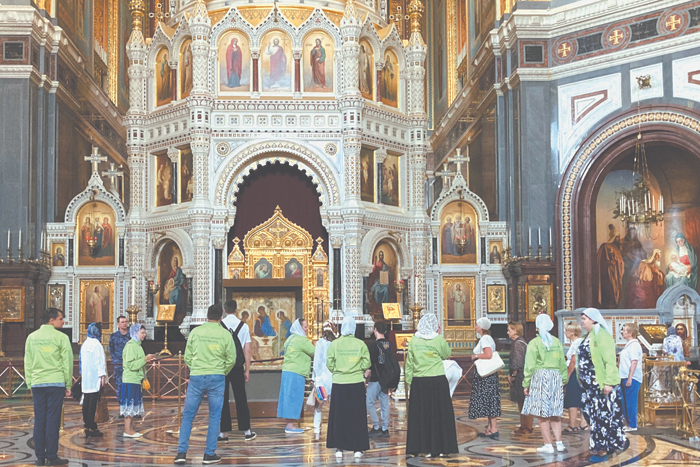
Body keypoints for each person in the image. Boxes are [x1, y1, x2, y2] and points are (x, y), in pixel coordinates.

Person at [175, 304, 237, 465]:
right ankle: (209, 454)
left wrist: (195, 368)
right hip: (217, 377)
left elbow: (188, 356)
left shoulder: (196, 332)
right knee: (215, 416)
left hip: (196, 376)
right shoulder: (225, 334)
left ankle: (181, 452)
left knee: (188, 415)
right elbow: (231, 358)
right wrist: (222, 370)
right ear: (220, 318)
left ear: (206, 317)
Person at [405, 314, 458, 458]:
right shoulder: (438, 339)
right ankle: (441, 447)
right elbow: (446, 354)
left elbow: (409, 363)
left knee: (421, 416)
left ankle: (422, 447)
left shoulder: (414, 340)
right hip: (437, 381)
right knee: (439, 414)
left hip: (419, 381)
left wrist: (410, 382)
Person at [25, 308, 73, 466]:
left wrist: (29, 382)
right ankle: (51, 455)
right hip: (55, 382)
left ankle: (39, 456)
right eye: (61, 318)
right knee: (53, 420)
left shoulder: (32, 337)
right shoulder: (61, 337)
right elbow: (67, 363)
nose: (63, 321)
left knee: (39, 419)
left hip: (38, 383)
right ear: (51, 320)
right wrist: (68, 384)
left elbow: (28, 362)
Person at [579, 308, 627, 462]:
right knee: (593, 416)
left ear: (593, 320)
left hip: (601, 386)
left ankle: (601, 450)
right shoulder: (587, 336)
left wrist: (609, 383)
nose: (582, 320)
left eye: (585, 318)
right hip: (589, 387)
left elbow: (609, 361)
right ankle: (609, 445)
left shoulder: (603, 336)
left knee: (602, 418)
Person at [521, 314, 568, 454]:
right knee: (555, 412)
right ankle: (559, 443)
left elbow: (529, 365)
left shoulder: (534, 343)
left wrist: (526, 383)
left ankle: (548, 444)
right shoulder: (556, 342)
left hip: (540, 376)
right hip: (556, 376)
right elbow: (562, 362)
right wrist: (563, 380)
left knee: (542, 414)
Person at [326, 316, 371, 459]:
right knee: (356, 416)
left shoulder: (334, 344)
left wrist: (338, 371)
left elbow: (329, 363)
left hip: (339, 383)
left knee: (339, 415)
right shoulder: (360, 344)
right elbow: (366, 362)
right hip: (356, 382)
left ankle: (339, 448)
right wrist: (358, 370)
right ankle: (358, 448)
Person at [219, 300, 256, 442]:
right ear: (236, 309)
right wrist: (247, 370)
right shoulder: (244, 326)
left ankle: (223, 433)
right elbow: (247, 350)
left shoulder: (220, 325)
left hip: (222, 366)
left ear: (224, 310)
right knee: (241, 397)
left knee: (222, 398)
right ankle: (247, 431)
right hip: (237, 366)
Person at [277, 318, 315, 433]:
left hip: (287, 371)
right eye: (305, 327)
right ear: (299, 328)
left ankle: (289, 423)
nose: (307, 329)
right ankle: (290, 425)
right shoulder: (301, 340)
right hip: (296, 372)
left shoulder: (290, 338)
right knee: (294, 398)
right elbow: (315, 351)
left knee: (288, 397)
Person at [121, 324, 156, 438]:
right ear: (135, 333)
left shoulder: (138, 346)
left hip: (136, 379)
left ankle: (130, 429)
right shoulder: (131, 346)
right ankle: (127, 430)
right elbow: (131, 365)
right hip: (131, 379)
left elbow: (139, 361)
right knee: (129, 405)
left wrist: (147, 359)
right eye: (142, 333)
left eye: (144, 333)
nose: (144, 335)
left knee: (133, 404)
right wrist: (145, 359)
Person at [468, 317, 501, 439]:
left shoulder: (485, 339)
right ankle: (490, 428)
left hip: (486, 375)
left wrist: (476, 355)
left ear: (481, 327)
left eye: (477, 325)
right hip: (487, 375)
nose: (475, 327)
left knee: (490, 400)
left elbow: (488, 354)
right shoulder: (486, 338)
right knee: (489, 400)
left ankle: (493, 428)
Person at [80, 323, 107, 438]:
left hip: (86, 376)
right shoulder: (96, 344)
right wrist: (102, 375)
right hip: (95, 376)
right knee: (92, 402)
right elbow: (99, 361)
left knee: (86, 400)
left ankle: (87, 424)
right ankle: (92, 426)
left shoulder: (85, 343)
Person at [507, 322, 533, 434]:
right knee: (521, 401)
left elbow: (517, 361)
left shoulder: (518, 343)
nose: (508, 332)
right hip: (521, 375)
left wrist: (513, 375)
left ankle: (527, 426)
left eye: (509, 330)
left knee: (523, 401)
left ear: (515, 330)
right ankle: (524, 425)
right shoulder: (520, 342)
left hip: (521, 376)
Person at [312, 321, 336, 440]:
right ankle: (334, 426)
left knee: (319, 404)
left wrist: (315, 379)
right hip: (334, 378)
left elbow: (317, 363)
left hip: (322, 379)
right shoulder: (336, 343)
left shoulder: (320, 343)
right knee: (334, 405)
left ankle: (317, 427)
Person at [366, 321, 390, 438]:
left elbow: (370, 362)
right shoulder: (390, 344)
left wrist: (367, 373)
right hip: (386, 378)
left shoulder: (373, 346)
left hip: (375, 378)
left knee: (369, 402)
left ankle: (376, 426)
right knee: (384, 403)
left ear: (375, 329)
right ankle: (385, 428)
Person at [563, 322, 587, 432]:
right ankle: (583, 423)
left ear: (572, 332)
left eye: (567, 330)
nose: (565, 332)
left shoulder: (576, 343)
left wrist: (567, 376)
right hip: (582, 373)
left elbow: (573, 360)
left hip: (575, 373)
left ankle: (573, 424)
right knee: (582, 398)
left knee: (573, 399)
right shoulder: (581, 341)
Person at [619, 323, 643, 433]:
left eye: (624, 330)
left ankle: (633, 424)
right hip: (624, 376)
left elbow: (634, 362)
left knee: (631, 402)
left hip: (632, 378)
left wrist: (630, 378)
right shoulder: (629, 344)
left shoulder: (634, 345)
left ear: (630, 333)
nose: (622, 332)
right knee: (625, 402)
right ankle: (628, 423)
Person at [109, 316, 131, 410]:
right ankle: (122, 408)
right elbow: (111, 349)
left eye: (126, 322)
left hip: (130, 365)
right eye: (122, 322)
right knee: (120, 387)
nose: (124, 323)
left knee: (130, 387)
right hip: (118, 365)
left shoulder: (131, 336)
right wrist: (116, 360)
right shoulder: (114, 336)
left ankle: (132, 408)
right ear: (118, 324)